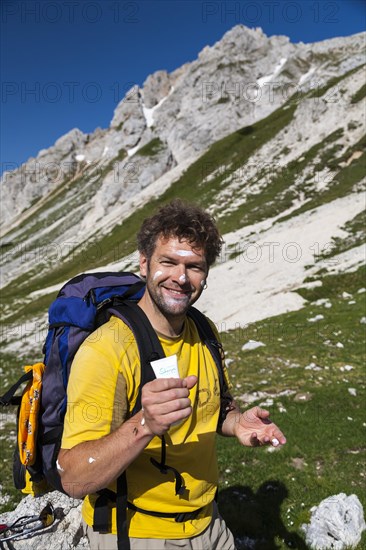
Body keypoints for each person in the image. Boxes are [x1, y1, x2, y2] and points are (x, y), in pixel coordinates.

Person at [57, 199, 286, 549]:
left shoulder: (204, 330)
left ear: (205, 275)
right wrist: (145, 424)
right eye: (168, 262)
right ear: (144, 264)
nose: (181, 277)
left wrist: (238, 422)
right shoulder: (107, 349)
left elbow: (214, 407)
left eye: (194, 266)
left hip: (210, 524)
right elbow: (72, 477)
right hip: (136, 533)